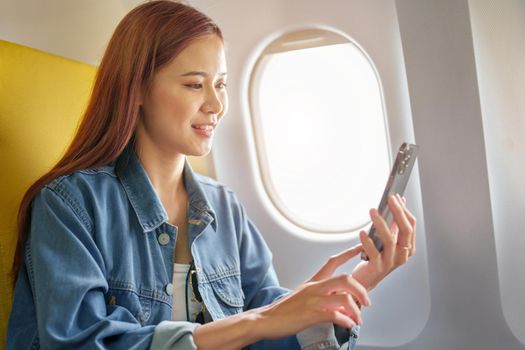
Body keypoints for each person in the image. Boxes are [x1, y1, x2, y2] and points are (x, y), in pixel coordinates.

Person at [6, 1, 417, 349]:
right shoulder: (70, 205)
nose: (216, 105)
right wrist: (258, 321)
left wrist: (354, 286)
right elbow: (78, 340)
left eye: (221, 84)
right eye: (194, 85)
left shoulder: (225, 208)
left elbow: (270, 333)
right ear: (139, 90)